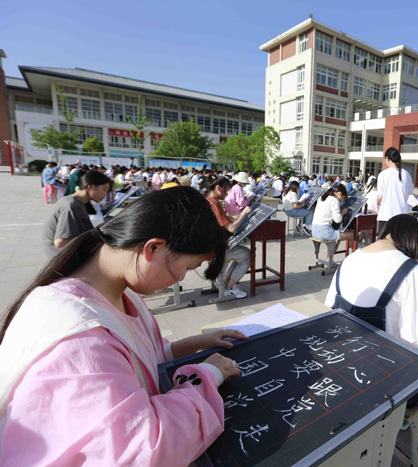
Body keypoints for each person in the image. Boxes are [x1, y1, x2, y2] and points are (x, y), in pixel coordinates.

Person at [0, 187, 249, 465]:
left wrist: (196, 343)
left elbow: (137, 358)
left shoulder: (118, 291)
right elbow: (143, 449)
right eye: (188, 268)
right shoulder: (81, 339)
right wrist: (207, 374)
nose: (180, 279)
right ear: (153, 248)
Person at [324, 215, 418, 414]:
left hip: (341, 364)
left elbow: (332, 309)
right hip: (383, 381)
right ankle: (403, 415)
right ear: (414, 238)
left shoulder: (349, 259)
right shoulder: (411, 271)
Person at [43, 171, 112, 258]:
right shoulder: (70, 205)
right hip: (63, 259)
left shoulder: (78, 203)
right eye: (104, 190)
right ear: (90, 186)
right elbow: (61, 242)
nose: (105, 194)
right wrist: (95, 235)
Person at [205, 178, 252, 299]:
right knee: (247, 255)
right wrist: (244, 214)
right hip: (215, 248)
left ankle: (225, 282)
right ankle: (230, 287)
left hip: (211, 244)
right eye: (226, 191)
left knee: (240, 253)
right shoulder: (214, 204)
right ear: (218, 188)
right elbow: (231, 228)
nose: (227, 194)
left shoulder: (208, 200)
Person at [377, 147, 413, 234]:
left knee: (384, 245)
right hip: (402, 216)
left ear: (387, 158)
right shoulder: (406, 174)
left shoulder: (383, 174)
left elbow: (379, 198)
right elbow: (410, 193)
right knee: (399, 245)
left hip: (386, 215)